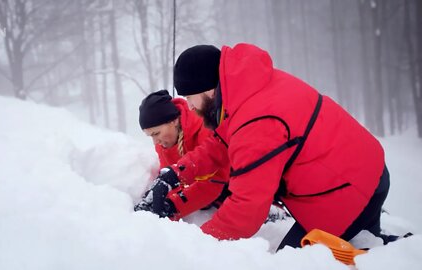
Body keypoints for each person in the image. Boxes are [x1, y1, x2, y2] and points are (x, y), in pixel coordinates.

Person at [144, 43, 390, 250]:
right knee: (363, 244)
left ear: (209, 90)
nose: (190, 107)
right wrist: (174, 174)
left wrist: (198, 247)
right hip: (362, 171)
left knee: (293, 262)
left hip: (349, 191)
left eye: (189, 98)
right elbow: (221, 146)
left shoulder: (257, 121)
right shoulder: (247, 91)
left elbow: (245, 212)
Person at [134, 89, 230, 220]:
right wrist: (156, 200)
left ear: (173, 121)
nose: (155, 141)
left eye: (156, 133)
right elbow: (172, 179)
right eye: (151, 136)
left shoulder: (205, 126)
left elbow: (214, 181)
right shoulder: (163, 143)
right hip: (208, 194)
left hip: (234, 185)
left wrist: (172, 207)